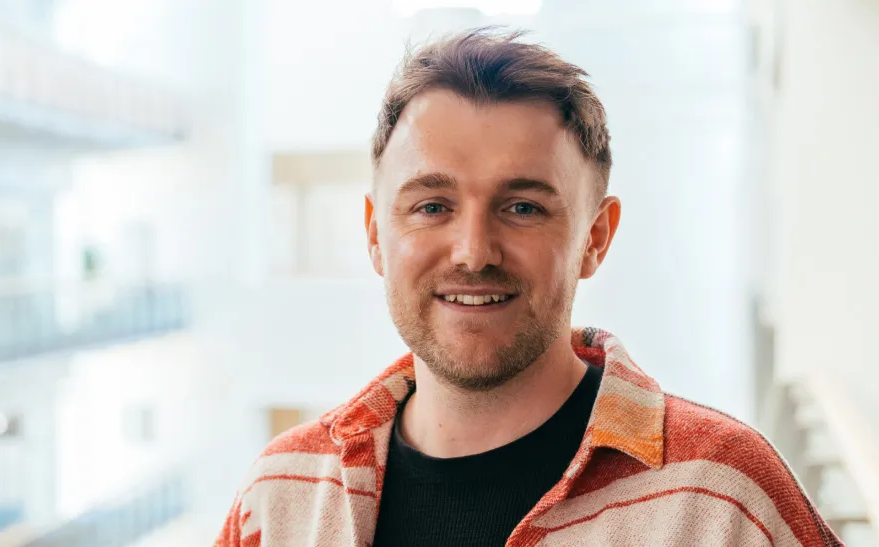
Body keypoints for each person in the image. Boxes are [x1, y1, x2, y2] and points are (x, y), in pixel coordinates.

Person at [215, 28, 842, 547]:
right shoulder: (280, 499)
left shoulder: (726, 497)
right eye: (432, 206)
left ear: (596, 238)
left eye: (522, 208)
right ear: (376, 234)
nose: (473, 253)